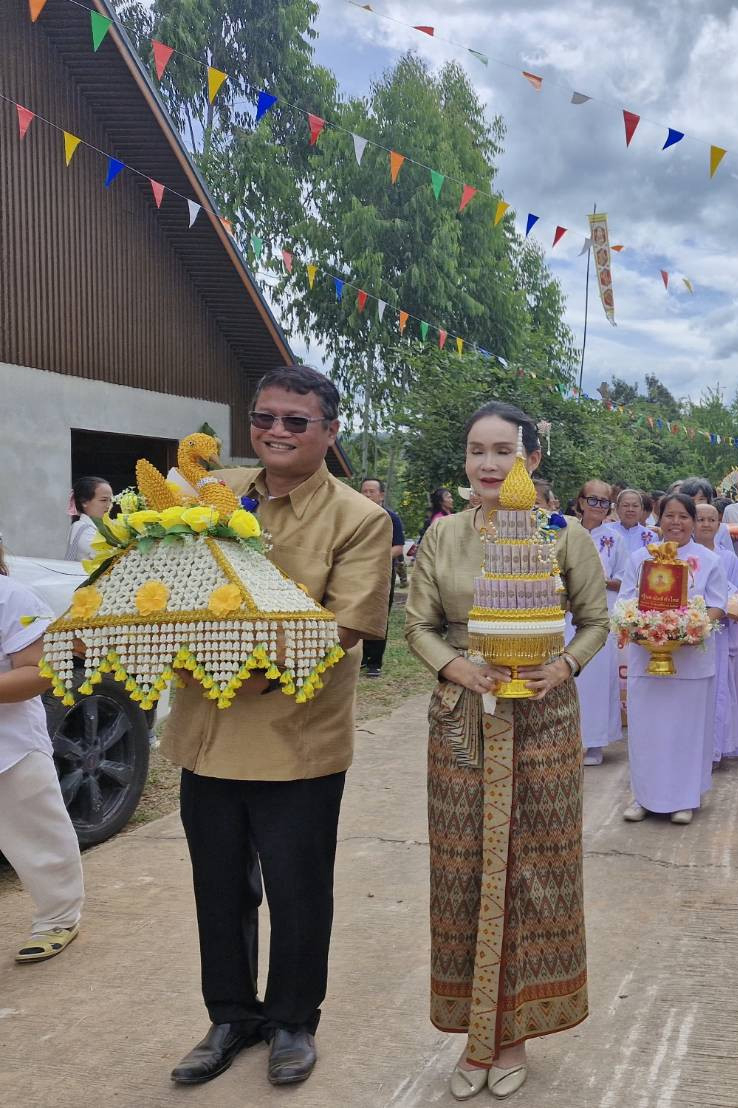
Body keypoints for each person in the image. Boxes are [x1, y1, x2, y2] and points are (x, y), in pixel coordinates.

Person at [163, 365, 392, 1088]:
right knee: (219, 887)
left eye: (297, 421)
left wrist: (234, 669)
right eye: (266, 417)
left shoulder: (359, 517)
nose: (277, 431)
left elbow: (346, 625)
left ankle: (293, 1020)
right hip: (205, 733)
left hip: (296, 739)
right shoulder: (210, 494)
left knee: (298, 890)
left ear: (329, 432)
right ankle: (231, 1015)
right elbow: (157, 576)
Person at [405, 400, 608, 1100]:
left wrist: (566, 666)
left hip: (545, 719)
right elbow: (419, 625)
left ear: (532, 459)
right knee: (464, 873)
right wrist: (458, 668)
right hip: (464, 716)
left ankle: (515, 1032)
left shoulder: (565, 536)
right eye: (475, 450)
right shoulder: (444, 537)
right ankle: (473, 1034)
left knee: (534, 869)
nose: (488, 464)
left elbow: (595, 619)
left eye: (503, 451)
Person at [619, 494, 735, 825]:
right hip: (646, 657)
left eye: (684, 516)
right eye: (669, 515)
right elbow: (626, 601)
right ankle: (643, 797)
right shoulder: (640, 559)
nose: (676, 522)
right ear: (659, 519)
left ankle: (684, 798)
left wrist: (688, 628)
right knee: (646, 731)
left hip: (691, 660)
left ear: (694, 522)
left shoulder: (708, 559)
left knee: (687, 731)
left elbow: (717, 604)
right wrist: (647, 626)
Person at [0, 529, 85, 964]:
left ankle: (58, 918)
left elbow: (39, 673)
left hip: (8, 748)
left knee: (36, 834)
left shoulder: (13, 598)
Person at [696, 503, 738, 765]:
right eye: (701, 519)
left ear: (719, 524)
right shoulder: (685, 555)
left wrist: (724, 600)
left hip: (719, 632)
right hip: (689, 633)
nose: (707, 524)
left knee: (720, 690)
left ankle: (716, 750)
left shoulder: (728, 558)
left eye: (712, 520)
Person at [571, 480, 626, 767]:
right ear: (580, 502)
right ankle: (568, 740)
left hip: (601, 614)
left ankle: (594, 742)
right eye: (593, 500)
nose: (598, 507)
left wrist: (600, 579)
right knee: (569, 678)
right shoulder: (564, 532)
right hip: (566, 615)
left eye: (604, 502)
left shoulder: (615, 538)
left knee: (597, 681)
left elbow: (626, 579)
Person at [359, 477, 405, 680]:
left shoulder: (391, 517)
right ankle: (359, 658)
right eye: (364, 491)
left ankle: (374, 662)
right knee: (356, 614)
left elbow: (398, 547)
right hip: (356, 572)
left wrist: (375, 558)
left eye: (371, 491)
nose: (367, 495)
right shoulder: (355, 515)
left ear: (381, 495)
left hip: (381, 573)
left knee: (378, 616)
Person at [676, 478, 735, 553]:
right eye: (691, 499)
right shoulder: (679, 525)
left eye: (701, 499)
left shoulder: (721, 528)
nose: (696, 503)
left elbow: (729, 556)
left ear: (708, 501)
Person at [64, 476, 112, 562]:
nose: (108, 505)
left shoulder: (101, 527)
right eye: (103, 500)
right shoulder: (82, 528)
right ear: (84, 502)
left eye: (110, 500)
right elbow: (107, 557)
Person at [615, 488, 660, 562]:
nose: (630, 509)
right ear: (617, 508)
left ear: (641, 509)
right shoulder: (607, 531)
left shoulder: (652, 537)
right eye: (625, 505)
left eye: (635, 506)